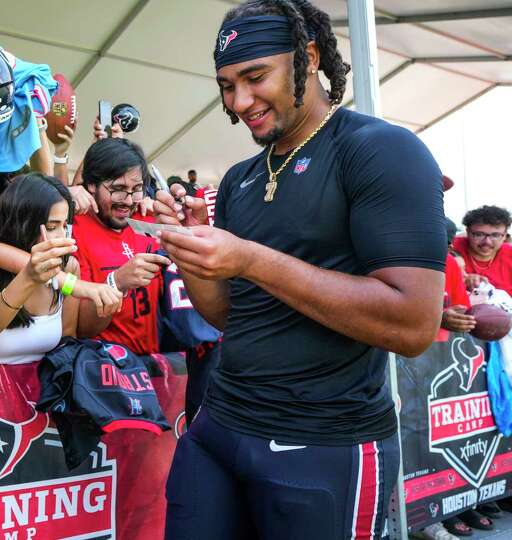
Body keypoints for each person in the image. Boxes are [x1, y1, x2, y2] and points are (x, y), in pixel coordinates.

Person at [154, 2, 445, 538]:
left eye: (254, 77)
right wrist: (194, 254)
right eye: (226, 86)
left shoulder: (380, 151)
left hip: (323, 444)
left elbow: (413, 325)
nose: (239, 102)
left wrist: (250, 258)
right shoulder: (242, 178)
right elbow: (228, 317)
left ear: (307, 58)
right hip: (219, 429)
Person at [0, 174, 122, 363]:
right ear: (21, 224)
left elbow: (67, 341)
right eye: (51, 226)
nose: (60, 236)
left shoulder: (69, 268)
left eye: (65, 226)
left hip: (44, 387)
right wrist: (30, 278)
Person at [74, 137, 170, 356]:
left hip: (152, 368)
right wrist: (116, 283)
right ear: (91, 184)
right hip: (101, 371)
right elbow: (82, 328)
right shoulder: (74, 232)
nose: (127, 200)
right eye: (118, 189)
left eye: (136, 189)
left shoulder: (148, 221)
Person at [453, 205, 511, 293]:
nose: (487, 242)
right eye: (479, 234)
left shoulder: (509, 254)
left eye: (495, 235)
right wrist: (462, 277)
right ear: (468, 232)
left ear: (505, 236)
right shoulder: (452, 247)